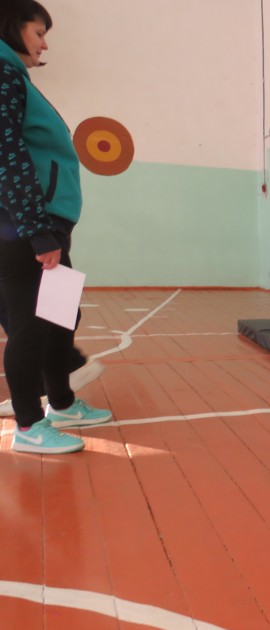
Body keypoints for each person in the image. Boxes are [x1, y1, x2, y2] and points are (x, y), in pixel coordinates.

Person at [0, 0, 112, 453]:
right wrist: (36, 230)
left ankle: (61, 404)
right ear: (13, 27)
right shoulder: (3, 73)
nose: (44, 44)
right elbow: (7, 155)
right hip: (28, 225)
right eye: (39, 32)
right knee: (33, 324)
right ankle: (29, 426)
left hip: (47, 221)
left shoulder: (16, 76)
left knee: (63, 314)